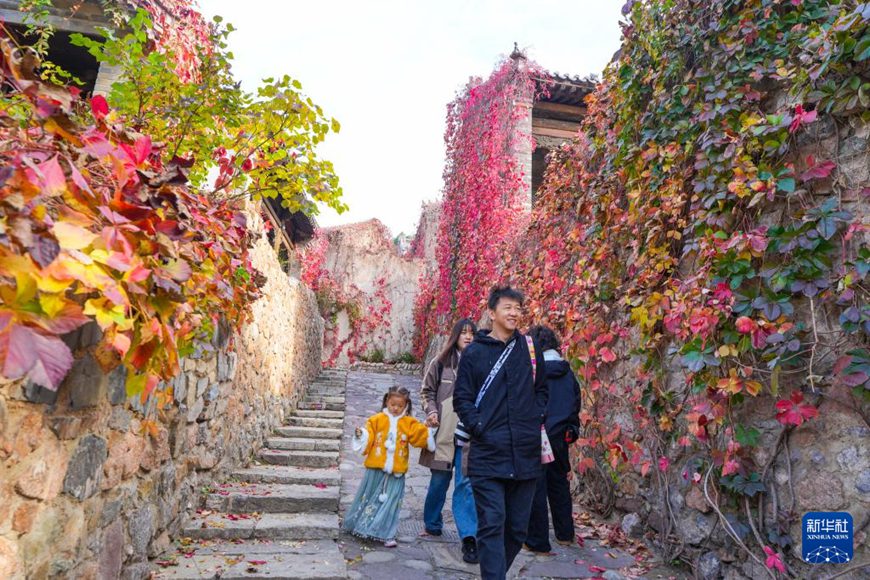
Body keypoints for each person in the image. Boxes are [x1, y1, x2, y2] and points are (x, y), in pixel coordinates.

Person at [453, 285, 548, 580]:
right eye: (507, 307)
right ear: (492, 313)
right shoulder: (475, 353)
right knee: (492, 522)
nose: (514, 313)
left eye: (518, 308)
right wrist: (479, 427)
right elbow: (462, 398)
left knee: (517, 528)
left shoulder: (530, 349)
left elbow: (543, 391)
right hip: (488, 454)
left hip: (525, 455)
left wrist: (534, 419)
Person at [343, 385, 435, 547]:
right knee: (369, 497)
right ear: (387, 401)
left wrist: (428, 429)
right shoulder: (377, 419)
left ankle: (387, 533)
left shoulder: (409, 423)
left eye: (400, 406)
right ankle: (363, 526)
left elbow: (419, 436)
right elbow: (368, 433)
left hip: (397, 471)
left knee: (392, 502)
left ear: (406, 405)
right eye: (393, 404)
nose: (395, 408)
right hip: (376, 468)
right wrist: (361, 434)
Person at [419, 318, 479, 564]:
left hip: (469, 437)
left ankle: (469, 537)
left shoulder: (479, 364)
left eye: (472, 333)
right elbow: (427, 391)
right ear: (455, 335)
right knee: (439, 481)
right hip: (443, 433)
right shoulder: (440, 362)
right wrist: (431, 411)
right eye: (463, 333)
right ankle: (432, 522)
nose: (468, 337)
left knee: (465, 485)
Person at [524, 325, 581, 554]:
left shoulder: (534, 372)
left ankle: (537, 540)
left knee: (536, 487)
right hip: (560, 436)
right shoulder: (568, 373)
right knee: (559, 485)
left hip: (538, 434)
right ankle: (565, 534)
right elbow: (575, 404)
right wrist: (570, 429)